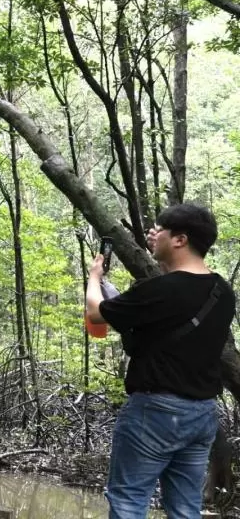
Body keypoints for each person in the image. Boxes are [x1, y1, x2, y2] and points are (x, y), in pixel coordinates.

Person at [84, 203, 235, 519]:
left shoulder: (162, 290)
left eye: (159, 231)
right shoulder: (222, 291)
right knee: (184, 508)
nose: (153, 237)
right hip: (202, 414)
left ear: (179, 240)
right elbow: (169, 313)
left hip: (155, 412)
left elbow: (96, 311)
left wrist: (95, 278)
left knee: (128, 501)